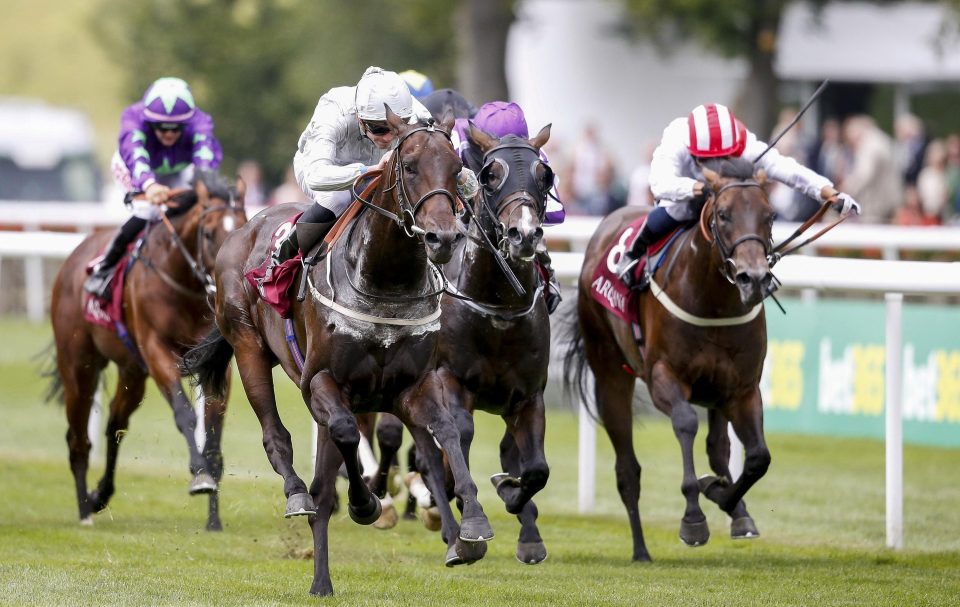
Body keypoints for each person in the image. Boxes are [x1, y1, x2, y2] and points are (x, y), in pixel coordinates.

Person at [616, 103, 860, 287]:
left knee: (748, 211)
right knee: (677, 210)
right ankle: (633, 254)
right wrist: (701, 188)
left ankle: (757, 269)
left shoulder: (743, 142)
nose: (717, 164)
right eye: (709, 159)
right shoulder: (676, 139)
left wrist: (828, 192)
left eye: (724, 158)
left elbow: (785, 168)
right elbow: (660, 184)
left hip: (726, 197)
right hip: (685, 196)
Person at [267, 66, 439, 270]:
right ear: (359, 117)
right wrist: (368, 171)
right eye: (379, 128)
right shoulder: (333, 112)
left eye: (396, 128)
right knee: (337, 198)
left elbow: (441, 158)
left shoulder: (415, 112)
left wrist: (464, 179)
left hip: (382, 169)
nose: (388, 137)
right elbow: (316, 176)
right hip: (323, 170)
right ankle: (284, 254)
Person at [84, 76, 223, 299]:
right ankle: (105, 268)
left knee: (201, 209)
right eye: (161, 128)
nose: (168, 134)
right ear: (149, 122)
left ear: (186, 123)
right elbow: (136, 154)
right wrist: (148, 185)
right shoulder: (132, 118)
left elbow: (205, 157)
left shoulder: (201, 122)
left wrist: (204, 184)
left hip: (178, 168)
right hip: (134, 167)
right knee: (148, 211)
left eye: (176, 128)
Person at [453, 101, 566, 313]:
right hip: (462, 210)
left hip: (509, 218)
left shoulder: (534, 157)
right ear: (479, 142)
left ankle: (548, 278)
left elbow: (553, 213)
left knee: (533, 235)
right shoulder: (457, 144)